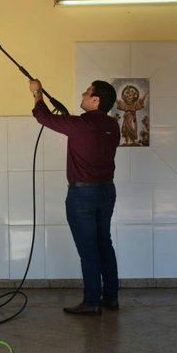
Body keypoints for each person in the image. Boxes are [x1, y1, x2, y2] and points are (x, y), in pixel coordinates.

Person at [29, 79, 120, 315]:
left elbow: (44, 117)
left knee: (89, 249)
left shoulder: (82, 124)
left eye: (87, 92)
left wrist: (37, 93)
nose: (83, 93)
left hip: (82, 195)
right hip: (107, 191)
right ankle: (111, 298)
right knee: (104, 245)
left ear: (95, 100)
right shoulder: (113, 125)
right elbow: (87, 133)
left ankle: (92, 302)